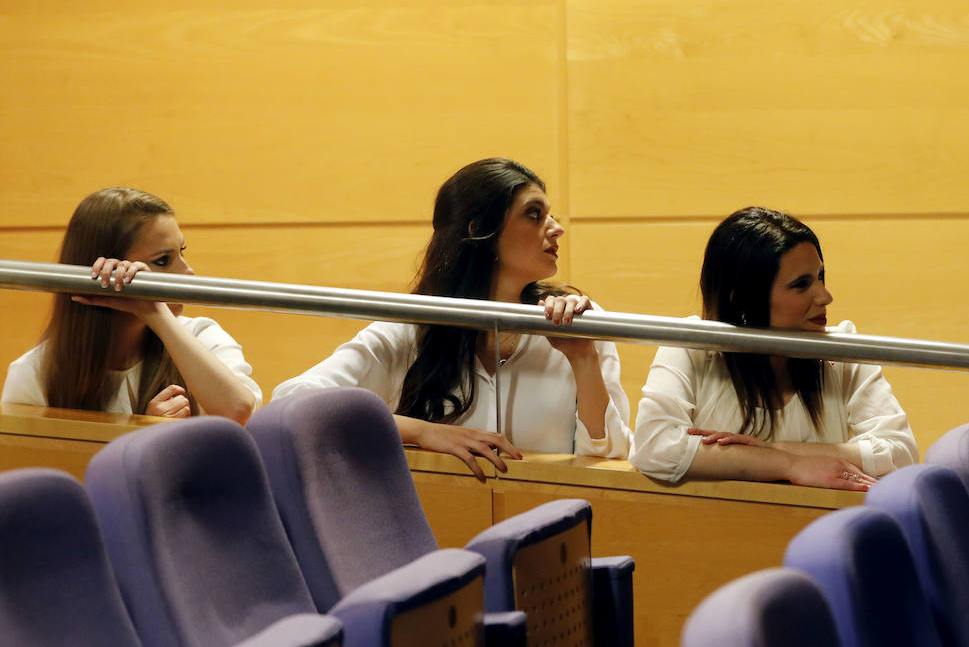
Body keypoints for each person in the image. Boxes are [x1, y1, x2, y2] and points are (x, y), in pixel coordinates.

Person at [273, 158, 632, 479]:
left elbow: (610, 457)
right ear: (479, 230)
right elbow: (290, 404)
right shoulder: (413, 327)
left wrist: (583, 357)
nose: (556, 228)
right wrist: (423, 431)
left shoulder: (576, 319)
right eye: (534, 214)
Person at [630, 206, 917, 491]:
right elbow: (653, 446)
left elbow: (901, 453)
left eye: (820, 277)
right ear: (742, 298)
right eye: (802, 284)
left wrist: (772, 448)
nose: (825, 296)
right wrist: (789, 465)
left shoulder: (842, 349)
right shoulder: (691, 345)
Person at [2, 187, 261, 421]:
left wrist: (154, 310)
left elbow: (238, 409)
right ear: (108, 272)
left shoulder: (201, 336)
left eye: (182, 252)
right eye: (163, 260)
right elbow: (38, 467)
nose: (188, 272)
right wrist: (139, 435)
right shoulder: (35, 374)